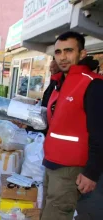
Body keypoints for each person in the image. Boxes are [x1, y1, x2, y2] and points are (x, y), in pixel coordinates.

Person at [40, 31, 103, 220]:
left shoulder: (93, 84)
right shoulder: (61, 82)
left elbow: (100, 132)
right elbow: (52, 117)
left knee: (56, 216)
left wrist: (92, 173)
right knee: (46, 213)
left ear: (82, 53)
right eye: (58, 52)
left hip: (70, 169)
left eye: (68, 51)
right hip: (51, 162)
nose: (63, 57)